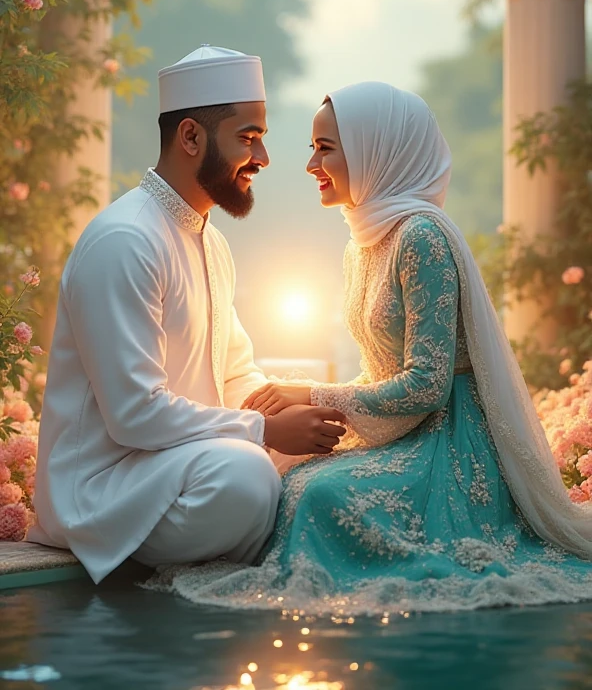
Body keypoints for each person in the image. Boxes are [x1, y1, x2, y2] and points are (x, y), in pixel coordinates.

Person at [147, 81, 592, 615]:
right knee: (289, 471)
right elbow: (377, 370)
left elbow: (427, 386)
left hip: (447, 441)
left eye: (326, 148)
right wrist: (302, 401)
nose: (311, 164)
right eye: (314, 147)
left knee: (320, 492)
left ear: (375, 149)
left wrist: (312, 394)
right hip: (401, 427)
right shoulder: (363, 241)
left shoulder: (421, 237)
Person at [28, 45, 346, 584]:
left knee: (316, 465)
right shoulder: (125, 240)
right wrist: (265, 428)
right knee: (247, 476)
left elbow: (234, 374)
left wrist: (295, 405)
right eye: (248, 137)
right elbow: (134, 415)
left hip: (179, 464)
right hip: (105, 487)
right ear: (192, 137)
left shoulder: (209, 241)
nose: (263, 157)